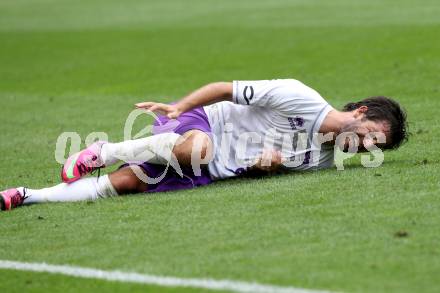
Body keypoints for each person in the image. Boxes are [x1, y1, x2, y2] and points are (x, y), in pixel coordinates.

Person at [0, 79, 408, 211]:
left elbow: (254, 168)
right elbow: (224, 88)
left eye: (377, 147)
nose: (367, 145)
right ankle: (102, 151)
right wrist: (179, 107)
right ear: (361, 112)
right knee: (199, 148)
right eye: (374, 134)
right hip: (203, 126)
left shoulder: (321, 162)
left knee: (125, 185)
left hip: (212, 169)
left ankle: (24, 196)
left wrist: (267, 168)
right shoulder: (298, 94)